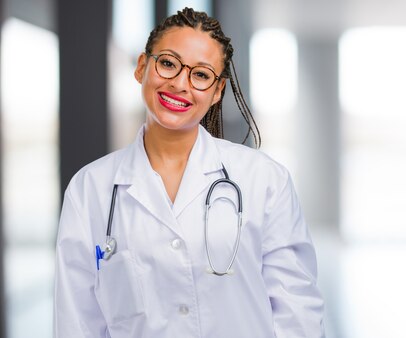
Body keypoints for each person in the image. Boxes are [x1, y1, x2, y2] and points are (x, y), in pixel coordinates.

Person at [54, 7, 325, 338]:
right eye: (168, 63)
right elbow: (76, 320)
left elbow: (298, 313)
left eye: (200, 75)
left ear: (217, 92)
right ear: (143, 67)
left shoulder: (265, 180)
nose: (180, 84)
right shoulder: (90, 189)